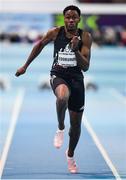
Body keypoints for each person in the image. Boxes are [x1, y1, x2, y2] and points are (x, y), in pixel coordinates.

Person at [15, 5, 92, 173]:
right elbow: (39, 46)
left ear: (79, 19)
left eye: (74, 17)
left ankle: (70, 155)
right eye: (67, 17)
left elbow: (85, 67)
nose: (71, 20)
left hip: (77, 79)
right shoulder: (55, 33)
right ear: (63, 18)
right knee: (62, 97)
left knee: (76, 126)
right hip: (58, 75)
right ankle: (60, 128)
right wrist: (25, 66)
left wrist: (75, 50)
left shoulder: (85, 37)